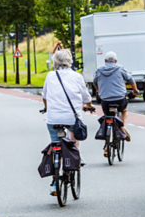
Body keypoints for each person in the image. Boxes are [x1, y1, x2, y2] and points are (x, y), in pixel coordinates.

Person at [41, 49, 94, 194]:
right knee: (74, 137)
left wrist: (47, 108)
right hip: (72, 118)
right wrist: (89, 106)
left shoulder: (50, 76)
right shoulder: (76, 76)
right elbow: (86, 96)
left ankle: (54, 182)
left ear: (55, 62)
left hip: (53, 119)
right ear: (70, 61)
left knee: (55, 145)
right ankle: (75, 156)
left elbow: (44, 96)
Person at [93, 51, 137, 155]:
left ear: (105, 61)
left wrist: (98, 90)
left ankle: (107, 146)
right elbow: (130, 80)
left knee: (108, 117)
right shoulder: (120, 69)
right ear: (116, 61)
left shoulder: (99, 70)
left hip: (106, 101)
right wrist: (135, 90)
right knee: (124, 110)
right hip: (119, 99)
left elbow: (95, 82)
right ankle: (123, 127)